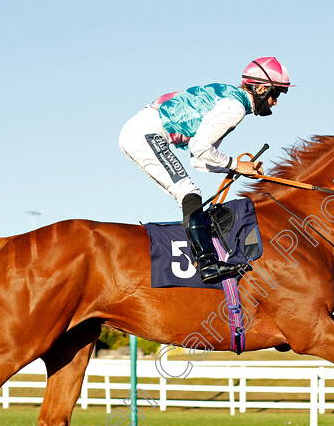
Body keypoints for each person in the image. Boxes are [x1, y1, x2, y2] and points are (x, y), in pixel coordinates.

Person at [120, 57, 296, 284]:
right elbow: (200, 148)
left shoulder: (232, 99)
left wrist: (238, 168)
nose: (274, 102)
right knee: (187, 191)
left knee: (188, 191)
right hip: (145, 133)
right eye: (276, 94)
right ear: (261, 88)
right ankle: (206, 263)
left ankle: (204, 258)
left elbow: (198, 160)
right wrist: (235, 164)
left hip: (141, 130)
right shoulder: (235, 108)